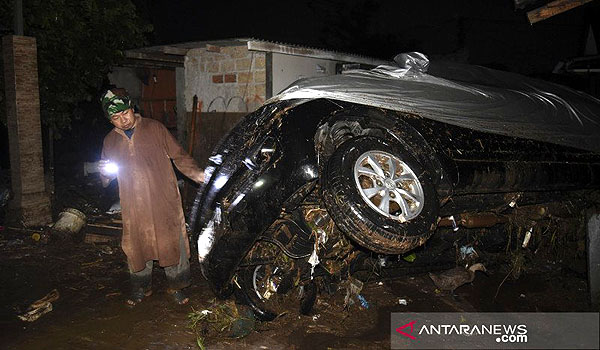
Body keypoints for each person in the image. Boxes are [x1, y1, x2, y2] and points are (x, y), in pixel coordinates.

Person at [98, 88, 204, 306]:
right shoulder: (109, 141)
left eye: (124, 113)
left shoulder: (155, 128)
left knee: (171, 244)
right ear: (110, 120)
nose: (122, 120)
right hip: (133, 204)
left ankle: (177, 286)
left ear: (132, 108)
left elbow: (179, 156)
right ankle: (141, 287)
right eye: (115, 118)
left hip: (162, 199)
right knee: (137, 246)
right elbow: (106, 178)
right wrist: (102, 172)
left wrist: (199, 175)